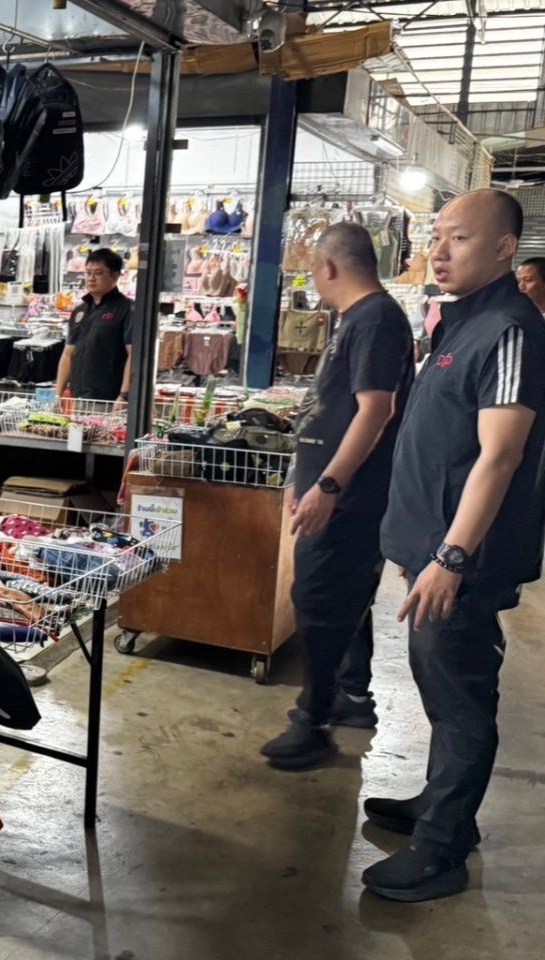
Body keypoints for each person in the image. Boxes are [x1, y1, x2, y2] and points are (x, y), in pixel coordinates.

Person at [369, 189, 545, 903]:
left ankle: (442, 851)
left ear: (504, 248)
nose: (438, 252)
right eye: (436, 236)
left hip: (461, 562)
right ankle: (441, 806)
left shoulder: (510, 328)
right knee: (437, 683)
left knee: (462, 694)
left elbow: (499, 457)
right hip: (430, 552)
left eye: (459, 239)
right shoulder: (462, 321)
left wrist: (451, 557)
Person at [260, 222, 415, 771]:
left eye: (313, 268)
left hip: (351, 499)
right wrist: (303, 477)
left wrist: (329, 485)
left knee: (319, 601)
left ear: (329, 267)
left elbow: (376, 410)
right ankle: (348, 696)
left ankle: (314, 722)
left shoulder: (374, 319)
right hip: (338, 493)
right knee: (339, 598)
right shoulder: (362, 318)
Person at [55, 248, 133, 403]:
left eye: (98, 273)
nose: (91, 278)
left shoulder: (127, 309)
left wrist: (124, 395)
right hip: (79, 396)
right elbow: (68, 353)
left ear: (115, 276)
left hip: (109, 399)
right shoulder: (80, 310)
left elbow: (134, 355)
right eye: (88, 273)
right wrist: (58, 394)